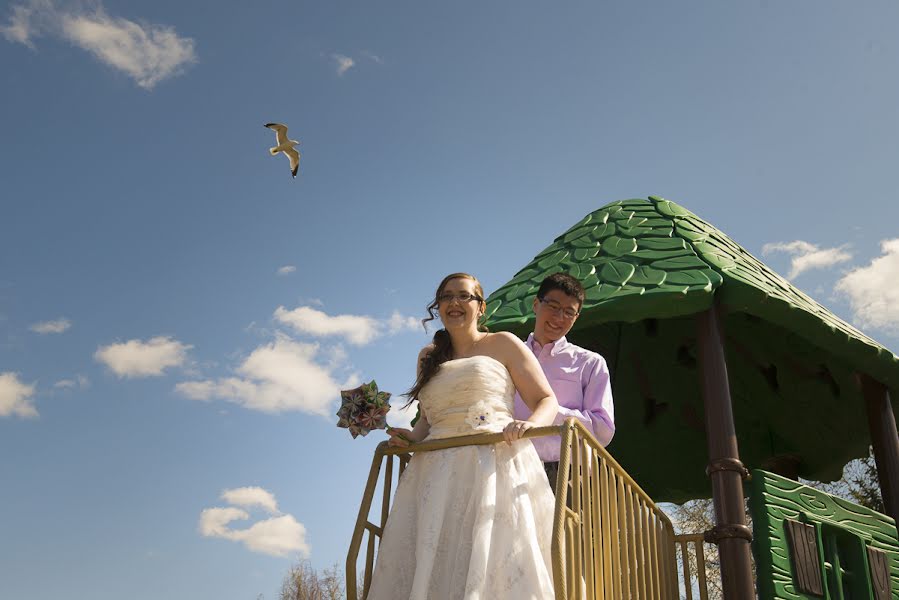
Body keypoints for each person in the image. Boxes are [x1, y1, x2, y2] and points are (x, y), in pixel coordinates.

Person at [366, 273, 560, 600]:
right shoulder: (428, 356)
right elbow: (429, 419)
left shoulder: (504, 343)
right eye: (446, 297)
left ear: (480, 307)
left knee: (493, 553)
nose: (454, 303)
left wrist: (530, 425)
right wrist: (411, 437)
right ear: (438, 306)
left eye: (464, 296)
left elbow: (546, 399)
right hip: (435, 471)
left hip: (494, 462)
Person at [513, 272, 615, 490]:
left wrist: (548, 411)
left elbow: (603, 429)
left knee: (560, 526)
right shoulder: (508, 356)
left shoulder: (590, 362)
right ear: (535, 304)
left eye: (569, 312)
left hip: (563, 473)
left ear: (577, 317)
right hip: (508, 464)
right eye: (553, 306)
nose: (559, 318)